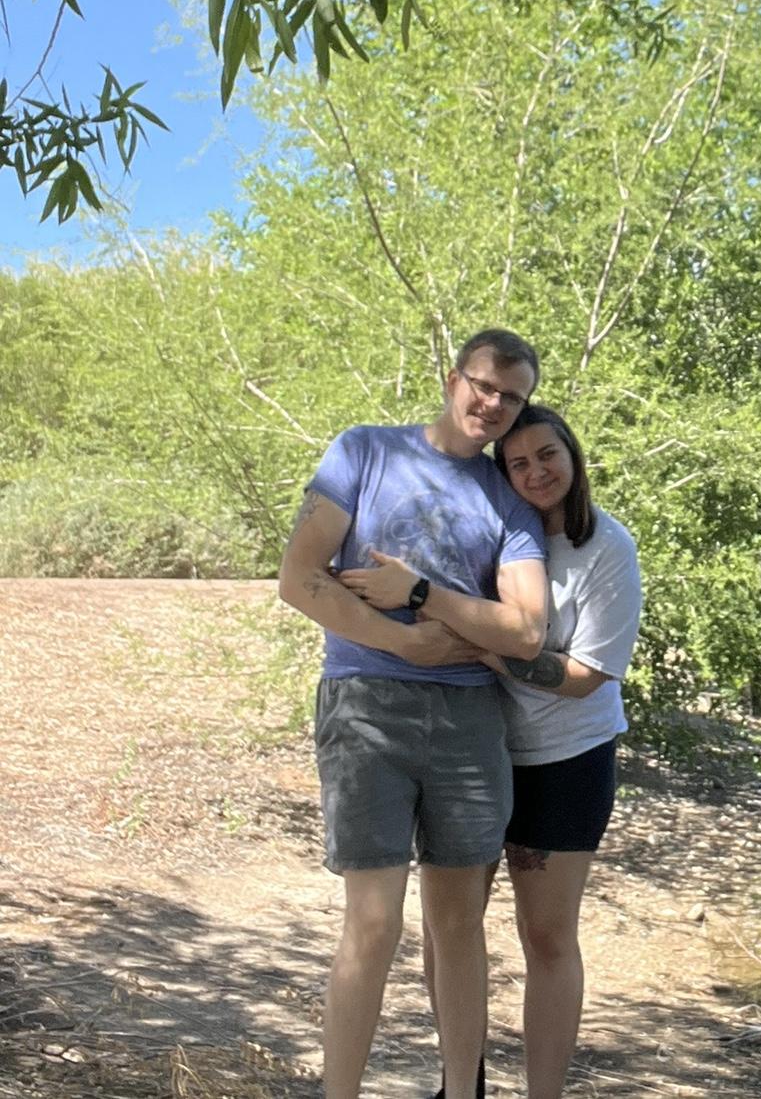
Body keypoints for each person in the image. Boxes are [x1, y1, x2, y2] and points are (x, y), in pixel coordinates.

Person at [278, 328, 548, 1099]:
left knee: (458, 927)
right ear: (452, 376)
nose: (492, 404)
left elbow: (527, 629)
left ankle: (462, 1092)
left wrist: (428, 606)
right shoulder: (364, 452)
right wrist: (409, 645)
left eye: (511, 396)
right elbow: (301, 578)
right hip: (366, 708)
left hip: (470, 724)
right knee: (372, 924)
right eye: (483, 384)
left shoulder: (510, 499)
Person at [428, 402, 644, 1099]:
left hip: (566, 761)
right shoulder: (488, 535)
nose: (535, 472)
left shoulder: (607, 547)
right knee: (446, 933)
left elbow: (585, 678)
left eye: (546, 454)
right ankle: (463, 1083)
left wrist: (500, 659)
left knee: (547, 938)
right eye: (517, 463)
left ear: (572, 455)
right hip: (472, 747)